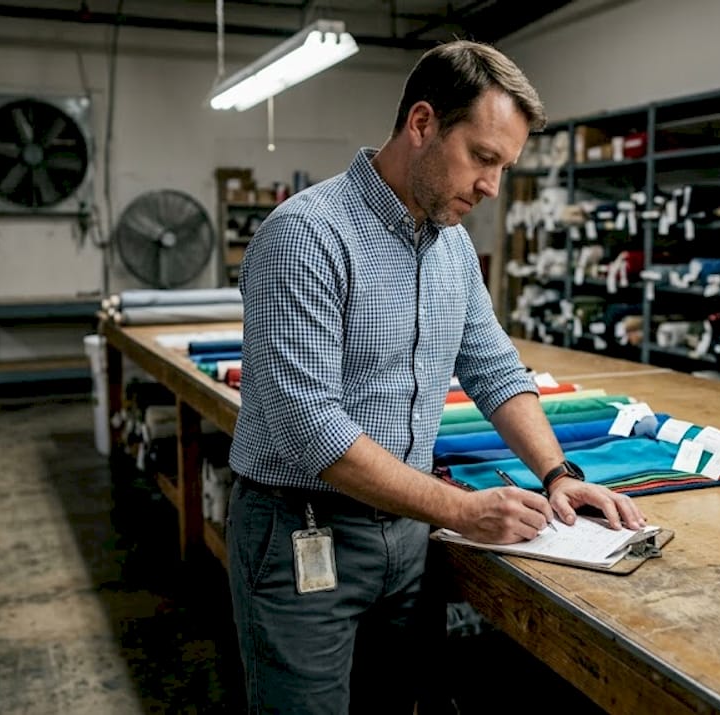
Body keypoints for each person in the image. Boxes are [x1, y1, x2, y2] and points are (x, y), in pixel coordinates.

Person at [225, 39, 648, 714]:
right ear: (422, 125)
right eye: (483, 158)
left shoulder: (448, 245)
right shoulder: (306, 236)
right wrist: (463, 509)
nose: (491, 187)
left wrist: (559, 474)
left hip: (407, 534)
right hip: (304, 532)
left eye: (504, 167)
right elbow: (312, 429)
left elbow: (493, 366)